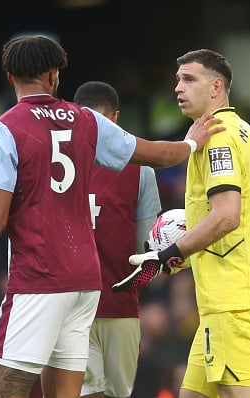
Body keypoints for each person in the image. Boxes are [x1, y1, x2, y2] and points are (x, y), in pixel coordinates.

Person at [0, 35, 224, 398]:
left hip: (38, 276)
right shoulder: (86, 120)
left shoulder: (3, 128)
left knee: (4, 391)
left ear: (9, 77)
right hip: (86, 281)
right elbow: (159, 154)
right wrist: (192, 142)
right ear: (53, 76)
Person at [119, 49, 250, 398]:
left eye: (189, 79)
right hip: (225, 299)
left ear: (216, 87)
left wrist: (169, 253)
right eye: (177, 79)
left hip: (234, 299)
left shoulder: (218, 139)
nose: (178, 88)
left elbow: (226, 215)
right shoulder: (242, 132)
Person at [75, 81, 161, 398]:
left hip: (78, 305)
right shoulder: (141, 171)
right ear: (116, 118)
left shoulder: (57, 166)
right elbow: (146, 249)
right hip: (114, 306)